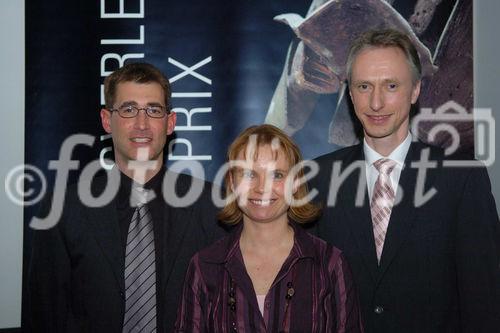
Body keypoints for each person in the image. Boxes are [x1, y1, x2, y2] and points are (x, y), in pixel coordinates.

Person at [309, 29, 500, 332]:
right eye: (364, 86)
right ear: (350, 93)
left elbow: (485, 305)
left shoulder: (461, 179)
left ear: (415, 91)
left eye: (391, 86)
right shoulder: (316, 179)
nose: (376, 102)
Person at [28, 63, 225, 332]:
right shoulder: (63, 208)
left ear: (170, 123)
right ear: (107, 120)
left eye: (154, 110)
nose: (142, 124)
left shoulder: (213, 205)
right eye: (129, 110)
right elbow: (44, 315)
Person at [174, 124, 363, 332]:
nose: (262, 188)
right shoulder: (205, 266)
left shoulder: (329, 264)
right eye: (248, 174)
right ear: (231, 182)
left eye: (277, 175)